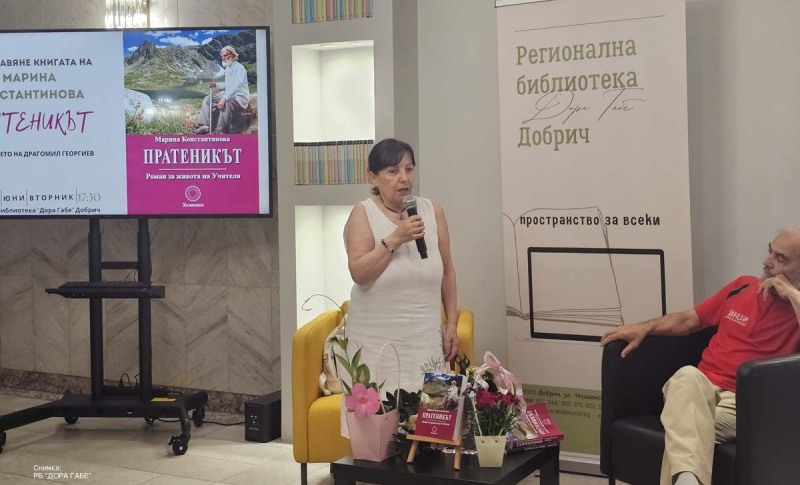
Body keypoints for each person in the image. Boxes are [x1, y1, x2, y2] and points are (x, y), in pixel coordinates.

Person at [600, 226, 800, 485]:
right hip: (696, 390)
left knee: (683, 426)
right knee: (686, 376)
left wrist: (792, 294)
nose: (767, 262)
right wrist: (645, 327)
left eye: (780, 258)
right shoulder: (741, 286)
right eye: (770, 251)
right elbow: (687, 320)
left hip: (746, 403)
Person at [340, 138, 459, 431]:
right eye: (393, 171)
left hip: (424, 340)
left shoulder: (432, 210)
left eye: (409, 169)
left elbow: (447, 271)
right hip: (378, 345)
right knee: (381, 435)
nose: (403, 178)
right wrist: (396, 238)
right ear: (373, 177)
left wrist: (452, 323)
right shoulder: (362, 213)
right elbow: (359, 272)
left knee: (431, 428)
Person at [195, 45, 250, 134]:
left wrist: (224, 98)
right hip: (228, 93)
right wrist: (216, 85)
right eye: (222, 56)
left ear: (233, 55)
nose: (224, 58)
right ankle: (206, 125)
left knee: (227, 103)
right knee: (208, 99)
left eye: (226, 56)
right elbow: (228, 84)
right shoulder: (228, 67)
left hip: (239, 95)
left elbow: (236, 86)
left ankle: (220, 130)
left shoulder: (240, 68)